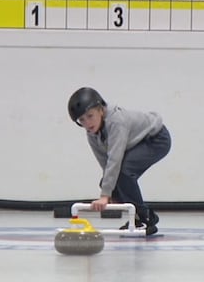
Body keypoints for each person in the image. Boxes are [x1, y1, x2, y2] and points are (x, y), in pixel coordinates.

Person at [68, 87, 171, 236]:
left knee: (124, 172)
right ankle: (138, 217)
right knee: (109, 182)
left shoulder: (116, 122)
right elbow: (105, 162)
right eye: (81, 120)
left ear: (101, 110)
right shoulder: (91, 132)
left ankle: (145, 219)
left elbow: (115, 159)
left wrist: (104, 196)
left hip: (157, 139)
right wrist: (109, 192)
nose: (87, 123)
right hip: (137, 142)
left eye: (90, 116)